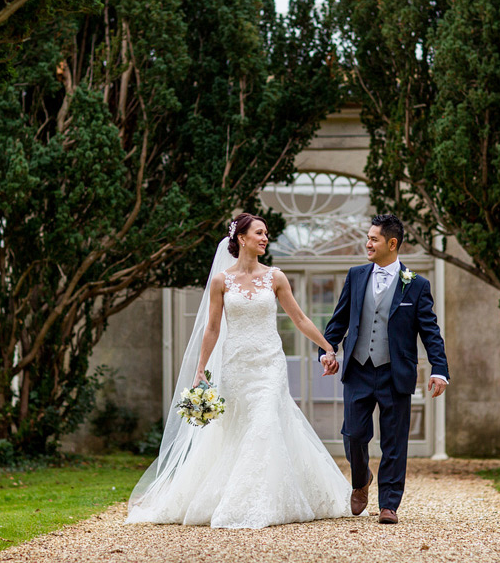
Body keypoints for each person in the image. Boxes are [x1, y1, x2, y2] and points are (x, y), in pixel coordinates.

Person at [126, 213, 355, 529]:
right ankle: (228, 496)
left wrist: (328, 348)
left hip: (269, 364)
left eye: (266, 234)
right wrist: (200, 371)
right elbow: (212, 328)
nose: (265, 238)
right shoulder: (221, 281)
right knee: (236, 430)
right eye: (259, 233)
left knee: (264, 424)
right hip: (236, 365)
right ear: (242, 238)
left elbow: (300, 319)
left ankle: (255, 502)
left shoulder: (276, 277)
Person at [320, 214, 450, 525]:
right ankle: (361, 477)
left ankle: (389, 503)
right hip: (358, 369)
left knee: (394, 441)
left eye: (374, 239)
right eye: (368, 237)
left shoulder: (416, 285)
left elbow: (430, 331)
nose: (367, 243)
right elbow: (338, 320)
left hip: (396, 373)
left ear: (392, 244)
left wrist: (439, 369)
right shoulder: (356, 276)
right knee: (353, 434)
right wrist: (327, 349)